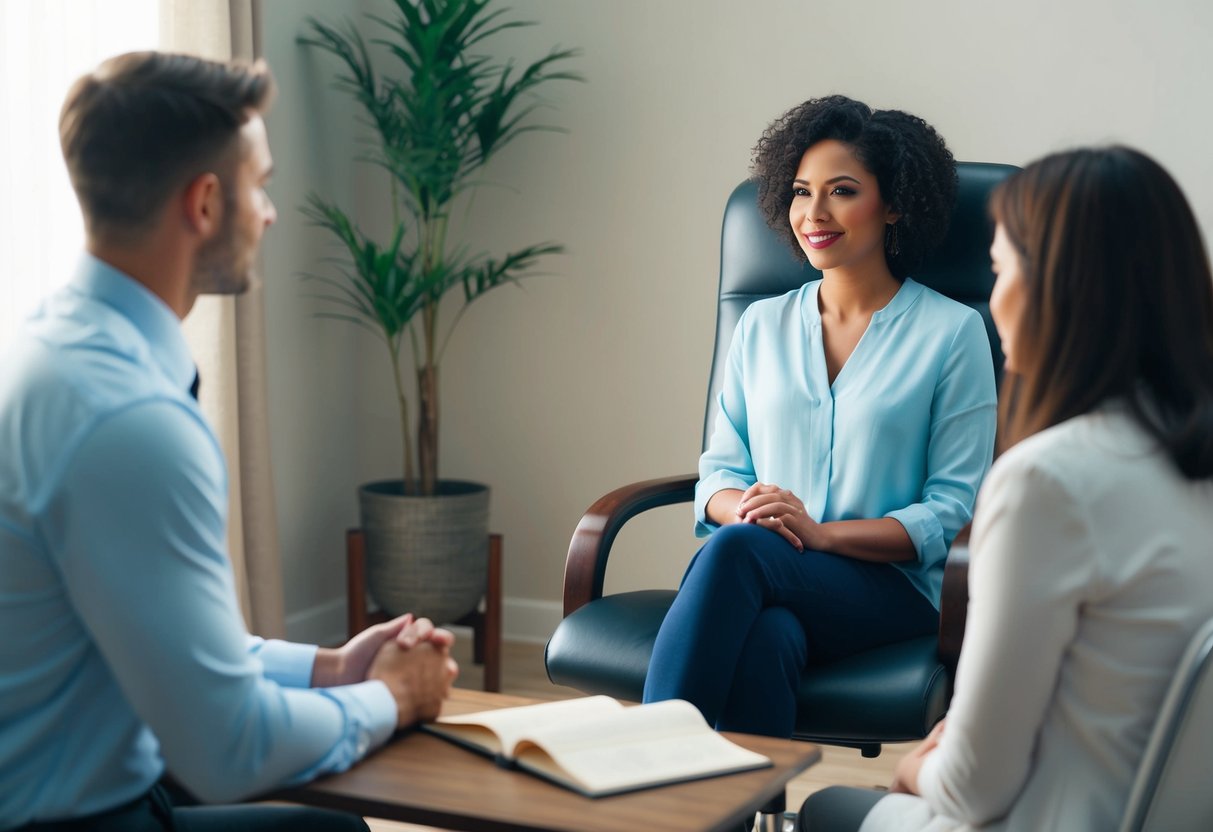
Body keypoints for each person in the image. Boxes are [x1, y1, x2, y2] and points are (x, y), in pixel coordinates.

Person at [0, 52, 459, 831]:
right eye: (260, 182)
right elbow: (229, 749)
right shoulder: (129, 422)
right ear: (206, 203)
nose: (270, 212)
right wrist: (390, 697)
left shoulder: (54, 349)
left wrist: (329, 668)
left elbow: (168, 643)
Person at [799, 146, 1213, 831]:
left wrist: (909, 770)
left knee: (825, 809)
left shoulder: (1047, 481)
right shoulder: (1185, 459)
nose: (993, 301)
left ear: (1057, 286)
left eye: (999, 270)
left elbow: (970, 790)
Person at [642, 95, 998, 737]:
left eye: (841, 191)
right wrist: (749, 510)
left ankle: (648, 770)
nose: (814, 214)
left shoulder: (952, 332)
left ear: (892, 204)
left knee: (739, 554)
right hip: (770, 573)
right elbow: (720, 472)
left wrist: (820, 534)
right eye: (802, 192)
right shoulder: (762, 325)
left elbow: (953, 509)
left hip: (893, 590)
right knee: (769, 637)